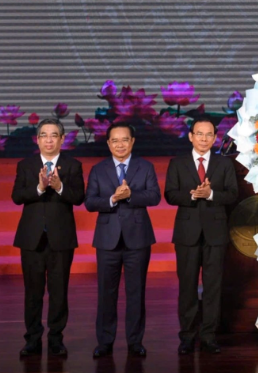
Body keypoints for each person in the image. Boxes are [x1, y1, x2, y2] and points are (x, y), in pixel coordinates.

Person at [85, 122, 161, 358]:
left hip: (138, 239)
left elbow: (154, 196)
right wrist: (112, 199)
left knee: (136, 292)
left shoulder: (145, 167)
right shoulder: (98, 169)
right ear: (108, 143)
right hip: (107, 240)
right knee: (106, 294)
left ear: (132, 142)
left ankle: (135, 342)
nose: (120, 145)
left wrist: (130, 195)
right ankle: (105, 341)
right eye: (115, 140)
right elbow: (90, 202)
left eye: (124, 140)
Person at [165, 116, 238, 355]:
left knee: (212, 287)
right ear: (190, 136)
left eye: (208, 135)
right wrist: (193, 195)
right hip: (186, 233)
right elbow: (170, 194)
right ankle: (187, 336)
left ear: (215, 138)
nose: (204, 139)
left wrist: (211, 194)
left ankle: (208, 336)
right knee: (187, 287)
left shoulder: (224, 164)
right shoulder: (177, 163)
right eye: (199, 134)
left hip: (215, 234)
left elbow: (232, 194)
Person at [12, 119, 85, 357]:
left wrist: (60, 186)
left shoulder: (73, 165)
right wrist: (40, 188)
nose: (49, 140)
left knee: (59, 291)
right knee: (33, 292)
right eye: (44, 135)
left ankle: (56, 339)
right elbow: (17, 196)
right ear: (37, 139)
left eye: (54, 135)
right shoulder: (26, 165)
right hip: (31, 239)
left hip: (61, 238)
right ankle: (32, 339)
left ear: (62, 139)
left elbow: (79, 197)